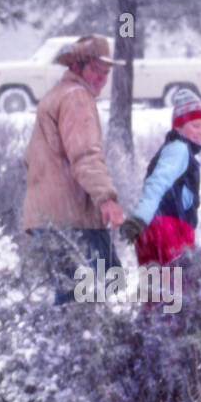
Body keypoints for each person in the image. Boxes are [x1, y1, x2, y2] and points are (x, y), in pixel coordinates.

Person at [22, 34, 126, 304]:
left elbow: (29, 160)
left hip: (48, 220)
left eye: (106, 73)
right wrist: (107, 198)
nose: (102, 78)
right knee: (108, 292)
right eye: (96, 70)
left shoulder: (55, 96)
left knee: (72, 298)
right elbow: (85, 155)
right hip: (74, 221)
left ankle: (63, 345)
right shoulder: (77, 98)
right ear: (77, 66)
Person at [120, 89, 201, 272]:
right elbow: (157, 183)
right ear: (178, 127)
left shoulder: (173, 149)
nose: (200, 132)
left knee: (155, 293)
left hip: (154, 230)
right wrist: (140, 217)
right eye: (195, 125)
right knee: (176, 292)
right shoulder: (180, 149)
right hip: (170, 229)